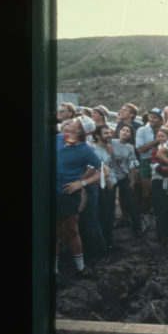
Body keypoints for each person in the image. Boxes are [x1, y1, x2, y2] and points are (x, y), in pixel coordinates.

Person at [55, 116, 105, 276]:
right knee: (53, 231)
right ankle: (54, 271)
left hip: (68, 194)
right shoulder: (57, 139)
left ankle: (81, 268)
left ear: (80, 131)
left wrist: (81, 183)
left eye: (75, 123)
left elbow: (104, 172)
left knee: (72, 230)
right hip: (50, 193)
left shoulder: (85, 149)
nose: (70, 122)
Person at [110, 124, 145, 238]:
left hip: (124, 176)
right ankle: (109, 229)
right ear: (119, 131)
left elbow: (132, 164)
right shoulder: (111, 142)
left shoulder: (130, 147)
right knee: (110, 203)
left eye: (128, 131)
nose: (125, 132)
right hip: (110, 176)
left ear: (131, 135)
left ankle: (137, 227)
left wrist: (132, 180)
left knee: (130, 202)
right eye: (123, 130)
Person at [134, 108, 164, 230]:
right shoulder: (142, 130)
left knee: (162, 192)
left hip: (162, 163)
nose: (151, 119)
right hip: (146, 162)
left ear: (161, 120)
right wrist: (156, 141)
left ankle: (160, 218)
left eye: (155, 117)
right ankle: (145, 217)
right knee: (147, 193)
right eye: (150, 116)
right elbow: (140, 149)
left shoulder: (164, 130)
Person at [150, 126, 168, 245]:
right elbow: (156, 168)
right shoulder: (155, 150)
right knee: (160, 208)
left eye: (163, 136)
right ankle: (161, 235)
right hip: (159, 180)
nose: (160, 138)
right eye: (158, 136)